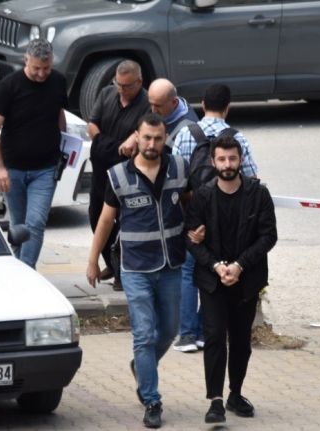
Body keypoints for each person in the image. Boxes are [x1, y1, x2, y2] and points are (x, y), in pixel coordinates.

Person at [86, 113, 190, 429]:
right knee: (144, 334)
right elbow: (106, 220)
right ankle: (151, 399)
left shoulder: (179, 168)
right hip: (135, 268)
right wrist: (92, 260)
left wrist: (198, 231)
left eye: (158, 138)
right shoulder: (118, 175)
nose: (152, 144)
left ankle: (142, 367)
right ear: (137, 136)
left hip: (171, 264)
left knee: (170, 330)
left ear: (165, 138)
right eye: (147, 138)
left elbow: (190, 204)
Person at [185, 135, 277, 424]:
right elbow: (191, 240)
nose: (227, 164)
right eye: (222, 159)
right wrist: (217, 267)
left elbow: (268, 236)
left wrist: (239, 266)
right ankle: (215, 400)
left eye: (232, 158)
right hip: (213, 280)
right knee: (214, 336)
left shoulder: (258, 194)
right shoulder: (202, 196)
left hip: (246, 280)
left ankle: (235, 393)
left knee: (240, 340)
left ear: (240, 160)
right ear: (213, 162)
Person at [170, 83, 260, 353]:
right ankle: (204, 331)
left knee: (188, 271)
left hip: (193, 212)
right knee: (218, 270)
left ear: (202, 104)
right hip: (226, 216)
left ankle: (187, 335)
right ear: (227, 107)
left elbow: (175, 177)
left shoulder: (186, 133)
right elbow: (252, 179)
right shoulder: (237, 137)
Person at [0, 38, 67, 268]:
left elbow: (59, 113)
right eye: (36, 68)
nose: (42, 74)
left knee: (36, 223)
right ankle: (18, 268)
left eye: (46, 68)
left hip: (46, 168)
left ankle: (26, 270)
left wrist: (65, 146)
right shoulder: (9, 86)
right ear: (26, 60)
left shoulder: (58, 81)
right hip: (13, 169)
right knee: (19, 226)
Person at [87, 60, 150, 289]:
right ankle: (112, 262)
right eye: (118, 84)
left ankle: (123, 270)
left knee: (123, 221)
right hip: (101, 168)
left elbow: (144, 133)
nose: (121, 89)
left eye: (127, 86)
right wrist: (106, 143)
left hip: (125, 172)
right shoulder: (107, 93)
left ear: (139, 82)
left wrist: (129, 140)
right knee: (96, 215)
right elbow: (92, 125)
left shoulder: (146, 103)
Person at [147, 78, 198, 151]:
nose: (153, 110)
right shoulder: (166, 100)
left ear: (174, 102)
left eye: (158, 106)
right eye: (151, 104)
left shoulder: (188, 132)